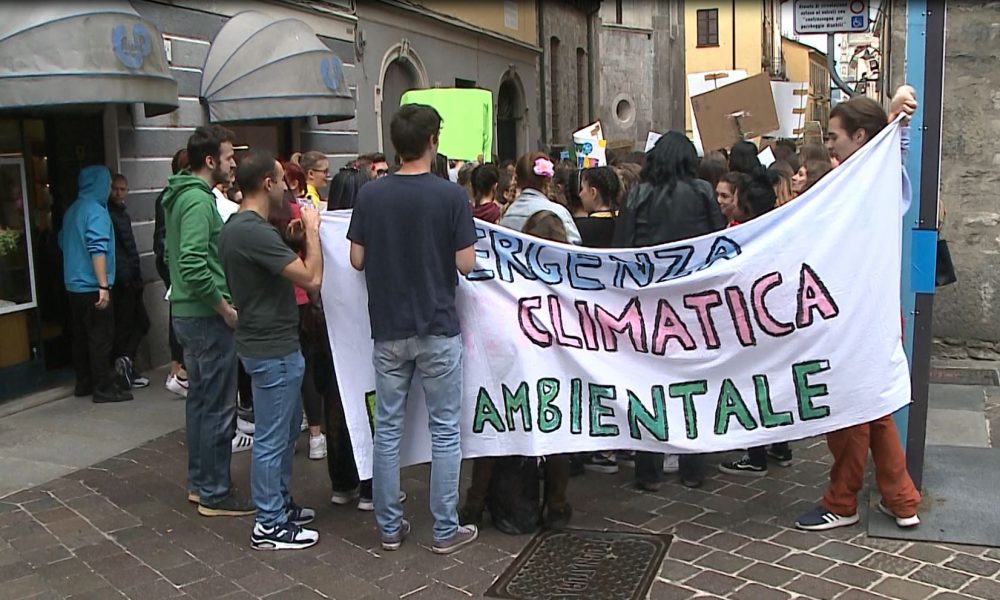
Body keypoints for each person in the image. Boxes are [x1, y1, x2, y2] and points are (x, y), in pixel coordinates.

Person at [348, 103, 479, 554]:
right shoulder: (450, 196)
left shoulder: (370, 195)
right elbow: (466, 263)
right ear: (432, 142)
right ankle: (444, 529)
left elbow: (356, 259)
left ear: (395, 144)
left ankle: (389, 527)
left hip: (388, 327)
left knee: (387, 430)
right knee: (445, 431)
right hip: (438, 325)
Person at [796, 87, 922, 532]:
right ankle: (901, 500)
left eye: (834, 136)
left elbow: (894, 145)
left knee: (849, 407)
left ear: (860, 136)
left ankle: (842, 499)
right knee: (874, 407)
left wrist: (897, 117)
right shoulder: (859, 182)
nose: (828, 144)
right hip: (871, 312)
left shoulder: (871, 180)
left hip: (854, 315)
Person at [219, 150, 324, 550]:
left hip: (269, 344)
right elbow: (311, 279)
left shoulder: (241, 227)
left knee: (283, 431)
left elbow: (266, 270)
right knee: (272, 438)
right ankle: (269, 523)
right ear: (266, 183)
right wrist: (312, 232)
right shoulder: (253, 231)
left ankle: (278, 505)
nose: (285, 188)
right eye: (280, 181)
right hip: (272, 348)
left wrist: (292, 239)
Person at [613, 131, 727, 491]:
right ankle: (693, 467)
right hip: (694, 302)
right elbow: (719, 243)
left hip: (649, 302)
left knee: (648, 383)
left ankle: (649, 471)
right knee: (694, 380)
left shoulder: (638, 194)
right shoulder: (703, 192)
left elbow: (623, 247)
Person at [163, 125, 253, 517]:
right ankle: (215, 491)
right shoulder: (199, 202)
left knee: (201, 403)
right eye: (229, 157)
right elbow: (193, 262)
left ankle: (201, 484)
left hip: (188, 313)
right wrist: (225, 309)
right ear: (211, 160)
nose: (234, 164)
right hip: (205, 317)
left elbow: (176, 258)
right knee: (217, 406)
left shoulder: (181, 196)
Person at [60, 166, 132, 404]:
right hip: (93, 286)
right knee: (101, 338)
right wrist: (103, 285)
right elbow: (97, 248)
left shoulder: (72, 210)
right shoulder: (96, 212)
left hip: (73, 285)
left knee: (80, 337)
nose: (110, 188)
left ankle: (84, 383)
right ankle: (103, 388)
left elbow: (62, 241)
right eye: (109, 183)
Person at [108, 173, 150, 389]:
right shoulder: (112, 214)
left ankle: (126, 365)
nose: (118, 193)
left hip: (130, 278)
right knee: (129, 326)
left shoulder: (122, 213)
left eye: (122, 189)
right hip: (124, 280)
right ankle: (123, 369)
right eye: (115, 189)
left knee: (139, 323)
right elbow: (121, 249)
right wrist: (128, 276)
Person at [154, 149, 190, 398]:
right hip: (175, 264)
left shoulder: (171, 196)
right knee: (179, 313)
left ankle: (179, 369)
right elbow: (164, 237)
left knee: (178, 314)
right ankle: (178, 369)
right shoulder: (174, 198)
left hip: (173, 262)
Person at [499, 152, 582, 244]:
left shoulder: (507, 214)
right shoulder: (560, 212)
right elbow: (575, 248)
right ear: (548, 179)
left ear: (517, 180)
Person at [575, 167, 621, 249]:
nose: (580, 194)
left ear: (593, 192)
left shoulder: (580, 228)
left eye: (582, 189)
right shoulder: (625, 224)